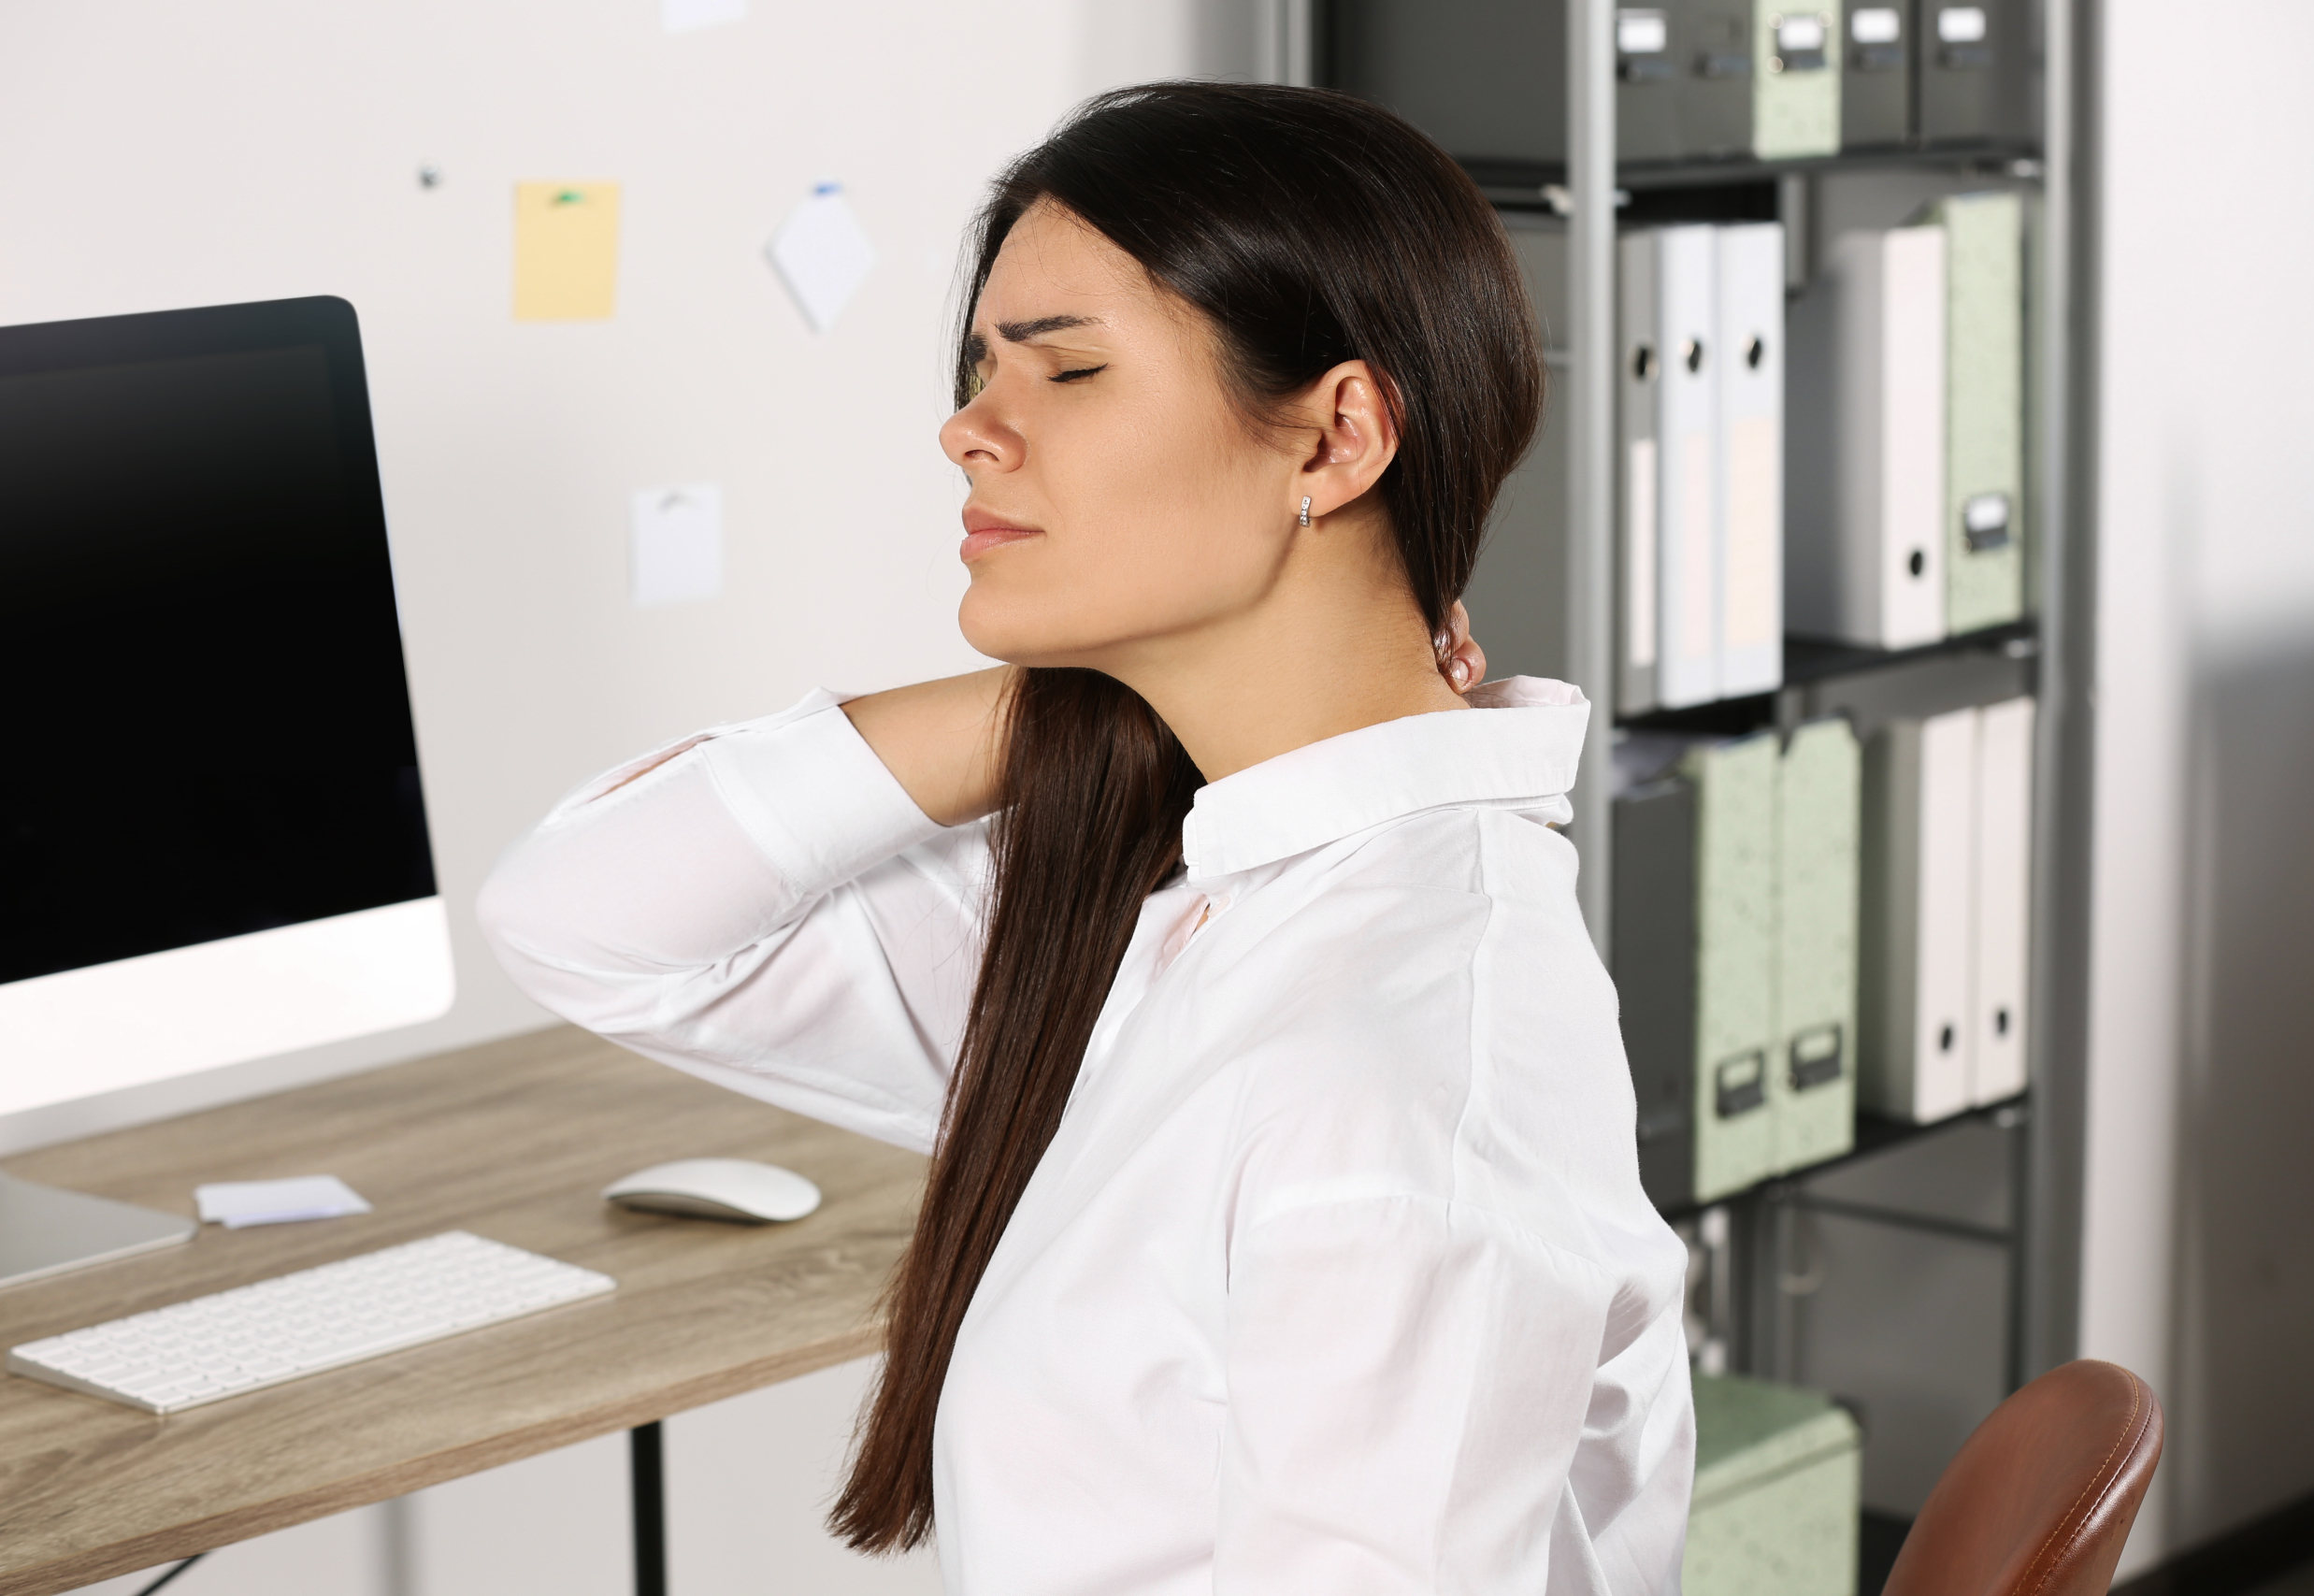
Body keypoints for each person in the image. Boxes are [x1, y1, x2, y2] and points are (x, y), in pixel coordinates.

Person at [480, 80, 1693, 1594]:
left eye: (1064, 372)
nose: (969, 430)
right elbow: (590, 918)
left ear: (1337, 439)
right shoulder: (1194, 896)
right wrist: (1076, 701)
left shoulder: (1389, 1074)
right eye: (981, 367)